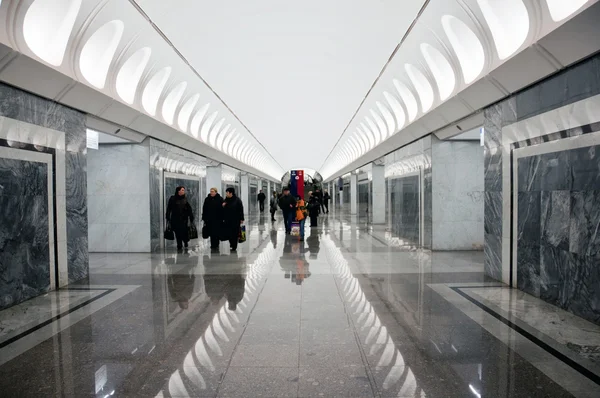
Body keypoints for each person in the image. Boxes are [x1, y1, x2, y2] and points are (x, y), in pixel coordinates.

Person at [222, 187, 244, 251]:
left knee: (235, 233)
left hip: (235, 220)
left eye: (227, 192)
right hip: (227, 220)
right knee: (229, 233)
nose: (226, 194)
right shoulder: (226, 200)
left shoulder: (237, 200)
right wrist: (223, 206)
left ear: (231, 193)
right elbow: (223, 210)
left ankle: (234, 246)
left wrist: (241, 219)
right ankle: (231, 244)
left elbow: (241, 210)